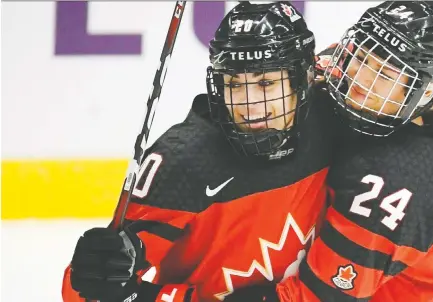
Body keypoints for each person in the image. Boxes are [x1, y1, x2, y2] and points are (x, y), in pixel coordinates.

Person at [225, 1, 433, 301]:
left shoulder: (392, 183)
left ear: (425, 92)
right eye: (360, 57)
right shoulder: (408, 106)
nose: (360, 78)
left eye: (384, 75)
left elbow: (312, 298)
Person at [62, 2, 334, 301]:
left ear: (303, 79)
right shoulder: (183, 161)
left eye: (266, 83)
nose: (249, 105)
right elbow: (91, 291)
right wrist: (96, 273)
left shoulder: (334, 119)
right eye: (233, 84)